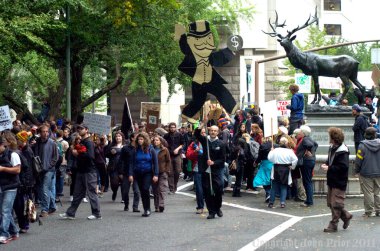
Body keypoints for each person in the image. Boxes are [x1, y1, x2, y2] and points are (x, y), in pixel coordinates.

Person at [60, 124, 102, 220]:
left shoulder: (89, 142)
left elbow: (90, 156)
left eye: (81, 129)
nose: (79, 130)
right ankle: (71, 213)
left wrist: (78, 153)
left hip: (89, 171)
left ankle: (96, 213)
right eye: (78, 128)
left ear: (86, 130)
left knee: (91, 192)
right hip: (81, 170)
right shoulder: (82, 142)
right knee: (77, 193)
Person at [321, 127, 352, 232]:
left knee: (336, 204)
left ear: (334, 138)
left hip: (339, 181)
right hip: (332, 179)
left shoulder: (343, 151)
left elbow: (343, 167)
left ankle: (333, 225)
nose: (328, 138)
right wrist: (326, 163)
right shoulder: (333, 147)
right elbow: (330, 159)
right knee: (331, 203)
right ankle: (346, 216)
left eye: (330, 136)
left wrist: (329, 167)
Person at [194, 125, 226, 219]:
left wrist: (213, 162)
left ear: (218, 132)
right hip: (206, 169)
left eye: (215, 131)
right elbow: (196, 134)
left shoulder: (221, 143)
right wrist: (202, 124)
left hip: (217, 169)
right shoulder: (205, 141)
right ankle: (211, 211)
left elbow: (222, 159)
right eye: (211, 130)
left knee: (218, 189)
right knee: (208, 191)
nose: (212, 132)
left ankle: (218, 208)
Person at [128, 133, 159, 217]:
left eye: (141, 139)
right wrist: (130, 174)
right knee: (142, 191)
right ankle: (146, 208)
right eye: (138, 139)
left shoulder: (150, 149)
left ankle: (148, 209)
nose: (140, 141)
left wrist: (156, 174)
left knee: (146, 189)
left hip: (148, 172)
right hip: (137, 173)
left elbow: (155, 163)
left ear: (145, 140)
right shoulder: (135, 150)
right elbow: (131, 163)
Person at [32, 125, 58, 217]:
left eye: (47, 131)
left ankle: (45, 209)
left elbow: (56, 158)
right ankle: (53, 206)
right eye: (43, 131)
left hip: (49, 170)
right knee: (43, 188)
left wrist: (48, 166)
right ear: (40, 132)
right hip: (39, 170)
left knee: (44, 188)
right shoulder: (37, 142)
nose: (45, 133)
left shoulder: (52, 143)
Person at [354, 127, 380, 217]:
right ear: (374, 135)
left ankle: (368, 211)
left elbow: (359, 160)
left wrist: (356, 170)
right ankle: (379, 210)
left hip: (366, 172)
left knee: (368, 193)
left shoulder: (362, 145)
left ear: (365, 135)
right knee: (378, 192)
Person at [0, 136, 21, 244]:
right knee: (3, 211)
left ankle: (4, 234)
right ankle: (13, 231)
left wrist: (3, 169)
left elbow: (17, 169)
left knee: (5, 210)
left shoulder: (13, 154)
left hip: (11, 186)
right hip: (1, 185)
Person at [267, 137, 298, 208]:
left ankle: (271, 202)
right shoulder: (290, 151)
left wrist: (271, 151)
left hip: (276, 168)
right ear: (287, 143)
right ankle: (282, 202)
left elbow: (269, 158)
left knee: (274, 186)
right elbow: (295, 159)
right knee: (283, 186)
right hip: (285, 169)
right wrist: (292, 166)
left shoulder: (275, 150)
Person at [14, 131, 35, 233]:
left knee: (24, 204)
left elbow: (27, 168)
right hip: (27, 181)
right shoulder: (24, 150)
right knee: (24, 203)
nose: (17, 141)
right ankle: (24, 223)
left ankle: (25, 224)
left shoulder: (26, 151)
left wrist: (26, 183)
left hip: (26, 182)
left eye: (18, 139)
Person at [295, 126, 318, 207]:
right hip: (310, 161)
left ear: (303, 133)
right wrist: (312, 152)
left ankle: (309, 201)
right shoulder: (308, 138)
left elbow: (310, 145)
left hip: (306, 161)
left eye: (300, 131)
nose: (299, 132)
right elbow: (315, 144)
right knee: (308, 181)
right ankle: (309, 200)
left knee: (307, 181)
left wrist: (307, 151)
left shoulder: (305, 139)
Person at [119, 133, 140, 212]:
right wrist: (120, 172)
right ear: (132, 138)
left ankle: (135, 207)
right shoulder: (125, 148)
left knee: (137, 191)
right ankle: (126, 204)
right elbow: (121, 161)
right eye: (136, 137)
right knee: (125, 191)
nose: (138, 139)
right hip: (126, 172)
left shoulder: (140, 148)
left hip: (137, 172)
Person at [186, 128, 205, 214]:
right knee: (199, 189)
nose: (203, 134)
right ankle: (200, 207)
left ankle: (212, 206)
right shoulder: (194, 144)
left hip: (209, 169)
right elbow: (188, 155)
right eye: (202, 133)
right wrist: (195, 152)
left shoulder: (209, 142)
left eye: (204, 132)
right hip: (197, 168)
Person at [152, 136, 171, 213]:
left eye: (157, 140)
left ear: (161, 141)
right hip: (153, 173)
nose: (155, 141)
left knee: (161, 189)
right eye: (154, 140)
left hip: (162, 172)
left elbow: (168, 161)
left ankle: (161, 205)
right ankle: (156, 206)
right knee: (155, 190)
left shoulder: (165, 150)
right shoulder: (151, 149)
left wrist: (167, 171)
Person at [163, 123, 184, 193]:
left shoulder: (179, 135)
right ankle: (171, 188)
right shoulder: (166, 135)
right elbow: (163, 144)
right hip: (169, 155)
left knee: (177, 171)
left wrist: (177, 149)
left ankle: (175, 184)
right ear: (169, 128)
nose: (172, 128)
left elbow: (182, 144)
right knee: (170, 172)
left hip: (177, 155)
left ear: (175, 128)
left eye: (173, 127)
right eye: (171, 127)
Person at [105, 132, 125, 202]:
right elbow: (106, 154)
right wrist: (111, 153)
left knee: (123, 183)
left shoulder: (125, 146)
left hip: (123, 167)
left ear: (122, 137)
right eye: (116, 136)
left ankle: (123, 198)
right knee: (114, 183)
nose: (118, 137)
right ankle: (115, 191)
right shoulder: (111, 145)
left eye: (119, 136)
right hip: (113, 167)